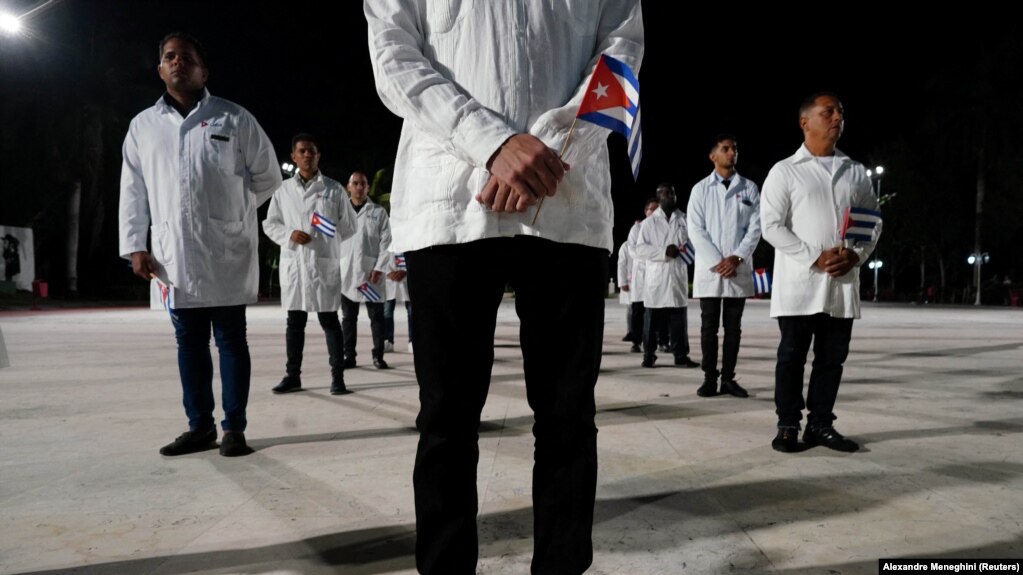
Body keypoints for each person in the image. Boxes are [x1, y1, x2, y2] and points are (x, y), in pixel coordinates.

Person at [365, 2, 643, 573]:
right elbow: (394, 55)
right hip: (452, 204)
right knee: (447, 418)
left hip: (565, 200)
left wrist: (548, 149)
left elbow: (621, 56)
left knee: (567, 417)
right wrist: (492, 143)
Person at [118, 32, 281, 457]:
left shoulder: (234, 119)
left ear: (202, 70)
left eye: (186, 57)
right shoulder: (143, 127)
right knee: (188, 342)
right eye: (169, 57)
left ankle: (234, 428)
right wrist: (136, 244)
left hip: (226, 250)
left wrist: (235, 210)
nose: (177, 63)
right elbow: (133, 190)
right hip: (172, 257)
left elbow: (267, 177)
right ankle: (199, 426)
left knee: (231, 339)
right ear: (160, 70)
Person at [761, 92, 881, 453]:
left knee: (832, 359)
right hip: (800, 282)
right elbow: (771, 226)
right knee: (792, 357)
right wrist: (815, 257)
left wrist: (856, 256)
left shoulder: (855, 171)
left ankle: (821, 424)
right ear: (805, 122)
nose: (837, 118)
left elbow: (872, 222)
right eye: (828, 112)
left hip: (841, 282)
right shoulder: (785, 171)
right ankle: (787, 425)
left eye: (840, 113)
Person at [262, 134, 357, 395]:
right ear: (293, 156)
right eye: (302, 151)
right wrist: (290, 235)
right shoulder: (282, 190)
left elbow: (350, 227)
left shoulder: (334, 189)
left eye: (311, 151)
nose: (307, 155)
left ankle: (337, 377)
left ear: (318, 156)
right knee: (295, 322)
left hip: (322, 263)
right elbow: (270, 224)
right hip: (295, 265)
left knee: (329, 321)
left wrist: (326, 236)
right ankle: (293, 376)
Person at [687, 134, 762, 398]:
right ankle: (710, 378)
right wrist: (718, 262)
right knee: (709, 327)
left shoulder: (749, 188)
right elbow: (695, 230)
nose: (732, 153)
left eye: (735, 149)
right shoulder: (700, 189)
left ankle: (729, 378)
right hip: (712, 269)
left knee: (733, 328)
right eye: (726, 149)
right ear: (713, 156)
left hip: (737, 268)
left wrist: (737, 257)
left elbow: (756, 227)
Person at [634, 184, 700, 369]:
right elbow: (639, 250)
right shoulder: (649, 223)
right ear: (658, 197)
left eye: (672, 192)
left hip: (677, 276)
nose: (671, 196)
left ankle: (680, 356)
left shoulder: (685, 219)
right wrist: (663, 252)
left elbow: (694, 242)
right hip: (657, 278)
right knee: (651, 321)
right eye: (666, 193)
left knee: (679, 320)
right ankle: (649, 355)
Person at [338, 170, 392, 370]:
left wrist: (379, 268)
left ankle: (378, 355)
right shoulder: (340, 213)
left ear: (368, 187)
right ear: (348, 187)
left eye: (363, 184)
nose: (359, 187)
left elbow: (386, 243)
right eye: (356, 183)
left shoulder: (378, 213)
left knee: (377, 318)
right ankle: (349, 356)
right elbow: (332, 241)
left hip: (370, 276)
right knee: (348, 319)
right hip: (347, 276)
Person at [621, 198, 659, 353]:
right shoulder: (637, 228)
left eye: (658, 209)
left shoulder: (662, 227)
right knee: (638, 311)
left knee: (656, 312)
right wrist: (656, 254)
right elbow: (633, 250)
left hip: (656, 274)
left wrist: (653, 254)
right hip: (641, 275)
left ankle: (657, 342)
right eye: (652, 209)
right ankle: (636, 342)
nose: (655, 212)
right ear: (646, 211)